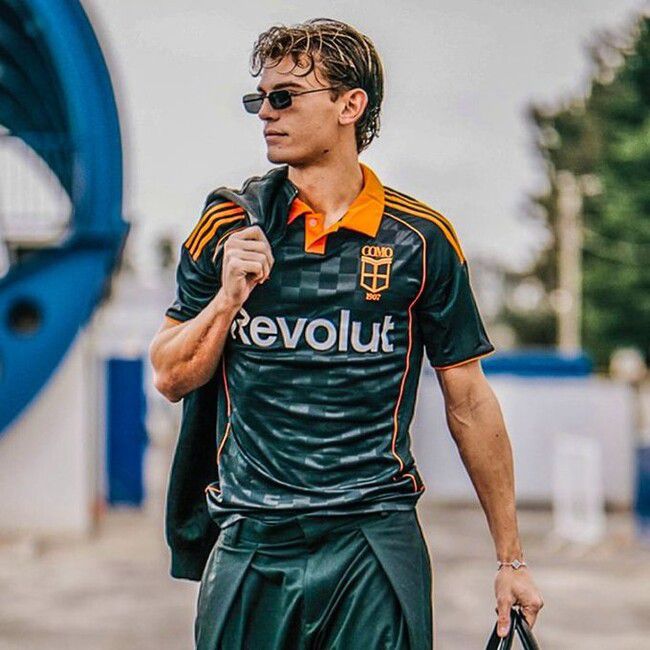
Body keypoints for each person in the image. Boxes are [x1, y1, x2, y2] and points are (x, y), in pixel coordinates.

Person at [149, 18, 544, 650]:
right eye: (259, 99)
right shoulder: (229, 225)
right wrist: (226, 301)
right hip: (252, 536)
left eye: (284, 97)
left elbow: (469, 400)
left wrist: (511, 560)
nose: (265, 113)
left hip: (371, 537)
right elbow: (170, 376)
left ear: (349, 105)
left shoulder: (420, 239)